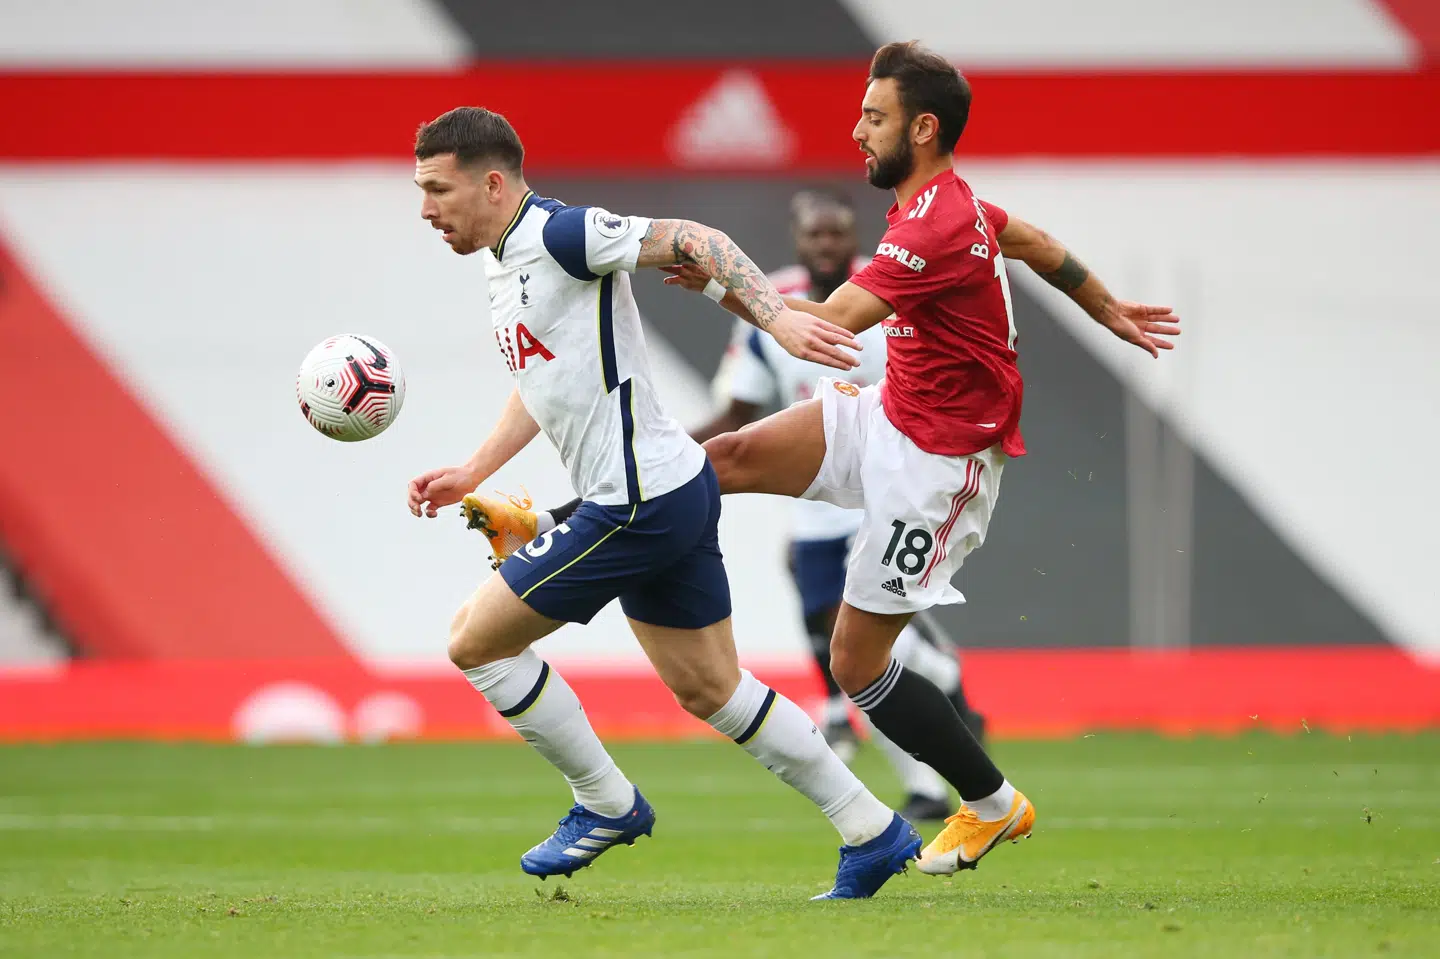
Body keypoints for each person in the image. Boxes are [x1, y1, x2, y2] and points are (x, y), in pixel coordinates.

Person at [663, 41, 1181, 875]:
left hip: (939, 466)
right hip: (888, 416)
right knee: (723, 458)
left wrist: (731, 284)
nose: (857, 130)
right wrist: (1106, 305)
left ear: (924, 128)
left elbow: (830, 326)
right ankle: (565, 531)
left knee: (855, 661)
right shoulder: (948, 205)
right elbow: (1038, 244)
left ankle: (991, 804)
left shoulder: (935, 224)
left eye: (875, 117)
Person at [405, 106, 920, 900]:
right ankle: (872, 829)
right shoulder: (503, 264)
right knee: (713, 688)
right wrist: (474, 468)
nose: (426, 209)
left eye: (437, 189)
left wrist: (776, 318)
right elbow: (543, 381)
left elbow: (691, 237)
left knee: (476, 641)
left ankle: (604, 802)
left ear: (493, 182)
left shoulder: (559, 234)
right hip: (668, 487)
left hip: (636, 500)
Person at [697, 189, 985, 822]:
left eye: (838, 234)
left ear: (852, 236)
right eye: (816, 235)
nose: (827, 245)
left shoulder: (886, 286)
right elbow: (740, 409)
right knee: (857, 653)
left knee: (860, 651)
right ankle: (932, 717)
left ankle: (927, 761)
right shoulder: (771, 300)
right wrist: (671, 450)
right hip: (816, 496)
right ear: (799, 238)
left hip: (881, 485)